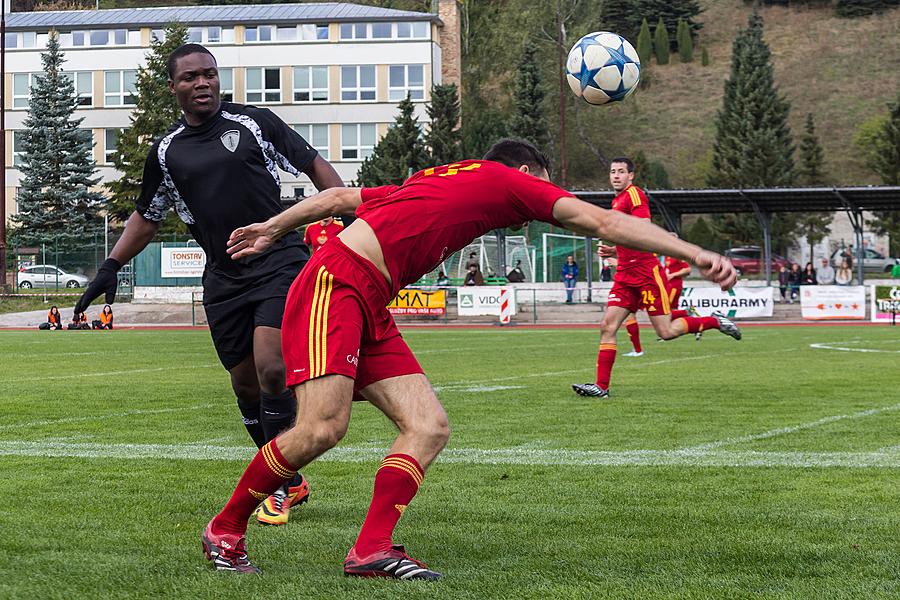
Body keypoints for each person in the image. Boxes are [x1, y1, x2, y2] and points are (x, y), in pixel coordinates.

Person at [206, 138, 737, 578]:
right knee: (322, 428)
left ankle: (371, 549)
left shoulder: (443, 177)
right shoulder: (507, 180)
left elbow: (342, 198)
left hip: (368, 297)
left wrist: (274, 228)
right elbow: (603, 223)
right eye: (542, 186)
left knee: (428, 426)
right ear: (527, 173)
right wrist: (692, 252)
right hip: (338, 284)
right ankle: (225, 529)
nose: (538, 207)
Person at [73, 43, 344, 527]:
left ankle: (278, 485)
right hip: (222, 277)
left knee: (273, 369)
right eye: (191, 77)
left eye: (210, 75)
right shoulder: (166, 150)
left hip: (279, 259)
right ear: (173, 86)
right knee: (244, 385)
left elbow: (315, 165)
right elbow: (146, 216)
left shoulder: (255, 122)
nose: (203, 83)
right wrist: (109, 267)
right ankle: (290, 478)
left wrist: (345, 213)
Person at [573, 157, 741, 399]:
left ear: (631, 175)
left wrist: (619, 249)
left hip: (646, 273)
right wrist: (615, 251)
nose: (616, 176)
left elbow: (642, 231)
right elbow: (627, 236)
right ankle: (602, 387)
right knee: (607, 326)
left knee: (666, 331)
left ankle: (715, 321)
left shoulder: (634, 195)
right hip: (625, 275)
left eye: (621, 171)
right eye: (612, 172)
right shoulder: (617, 200)